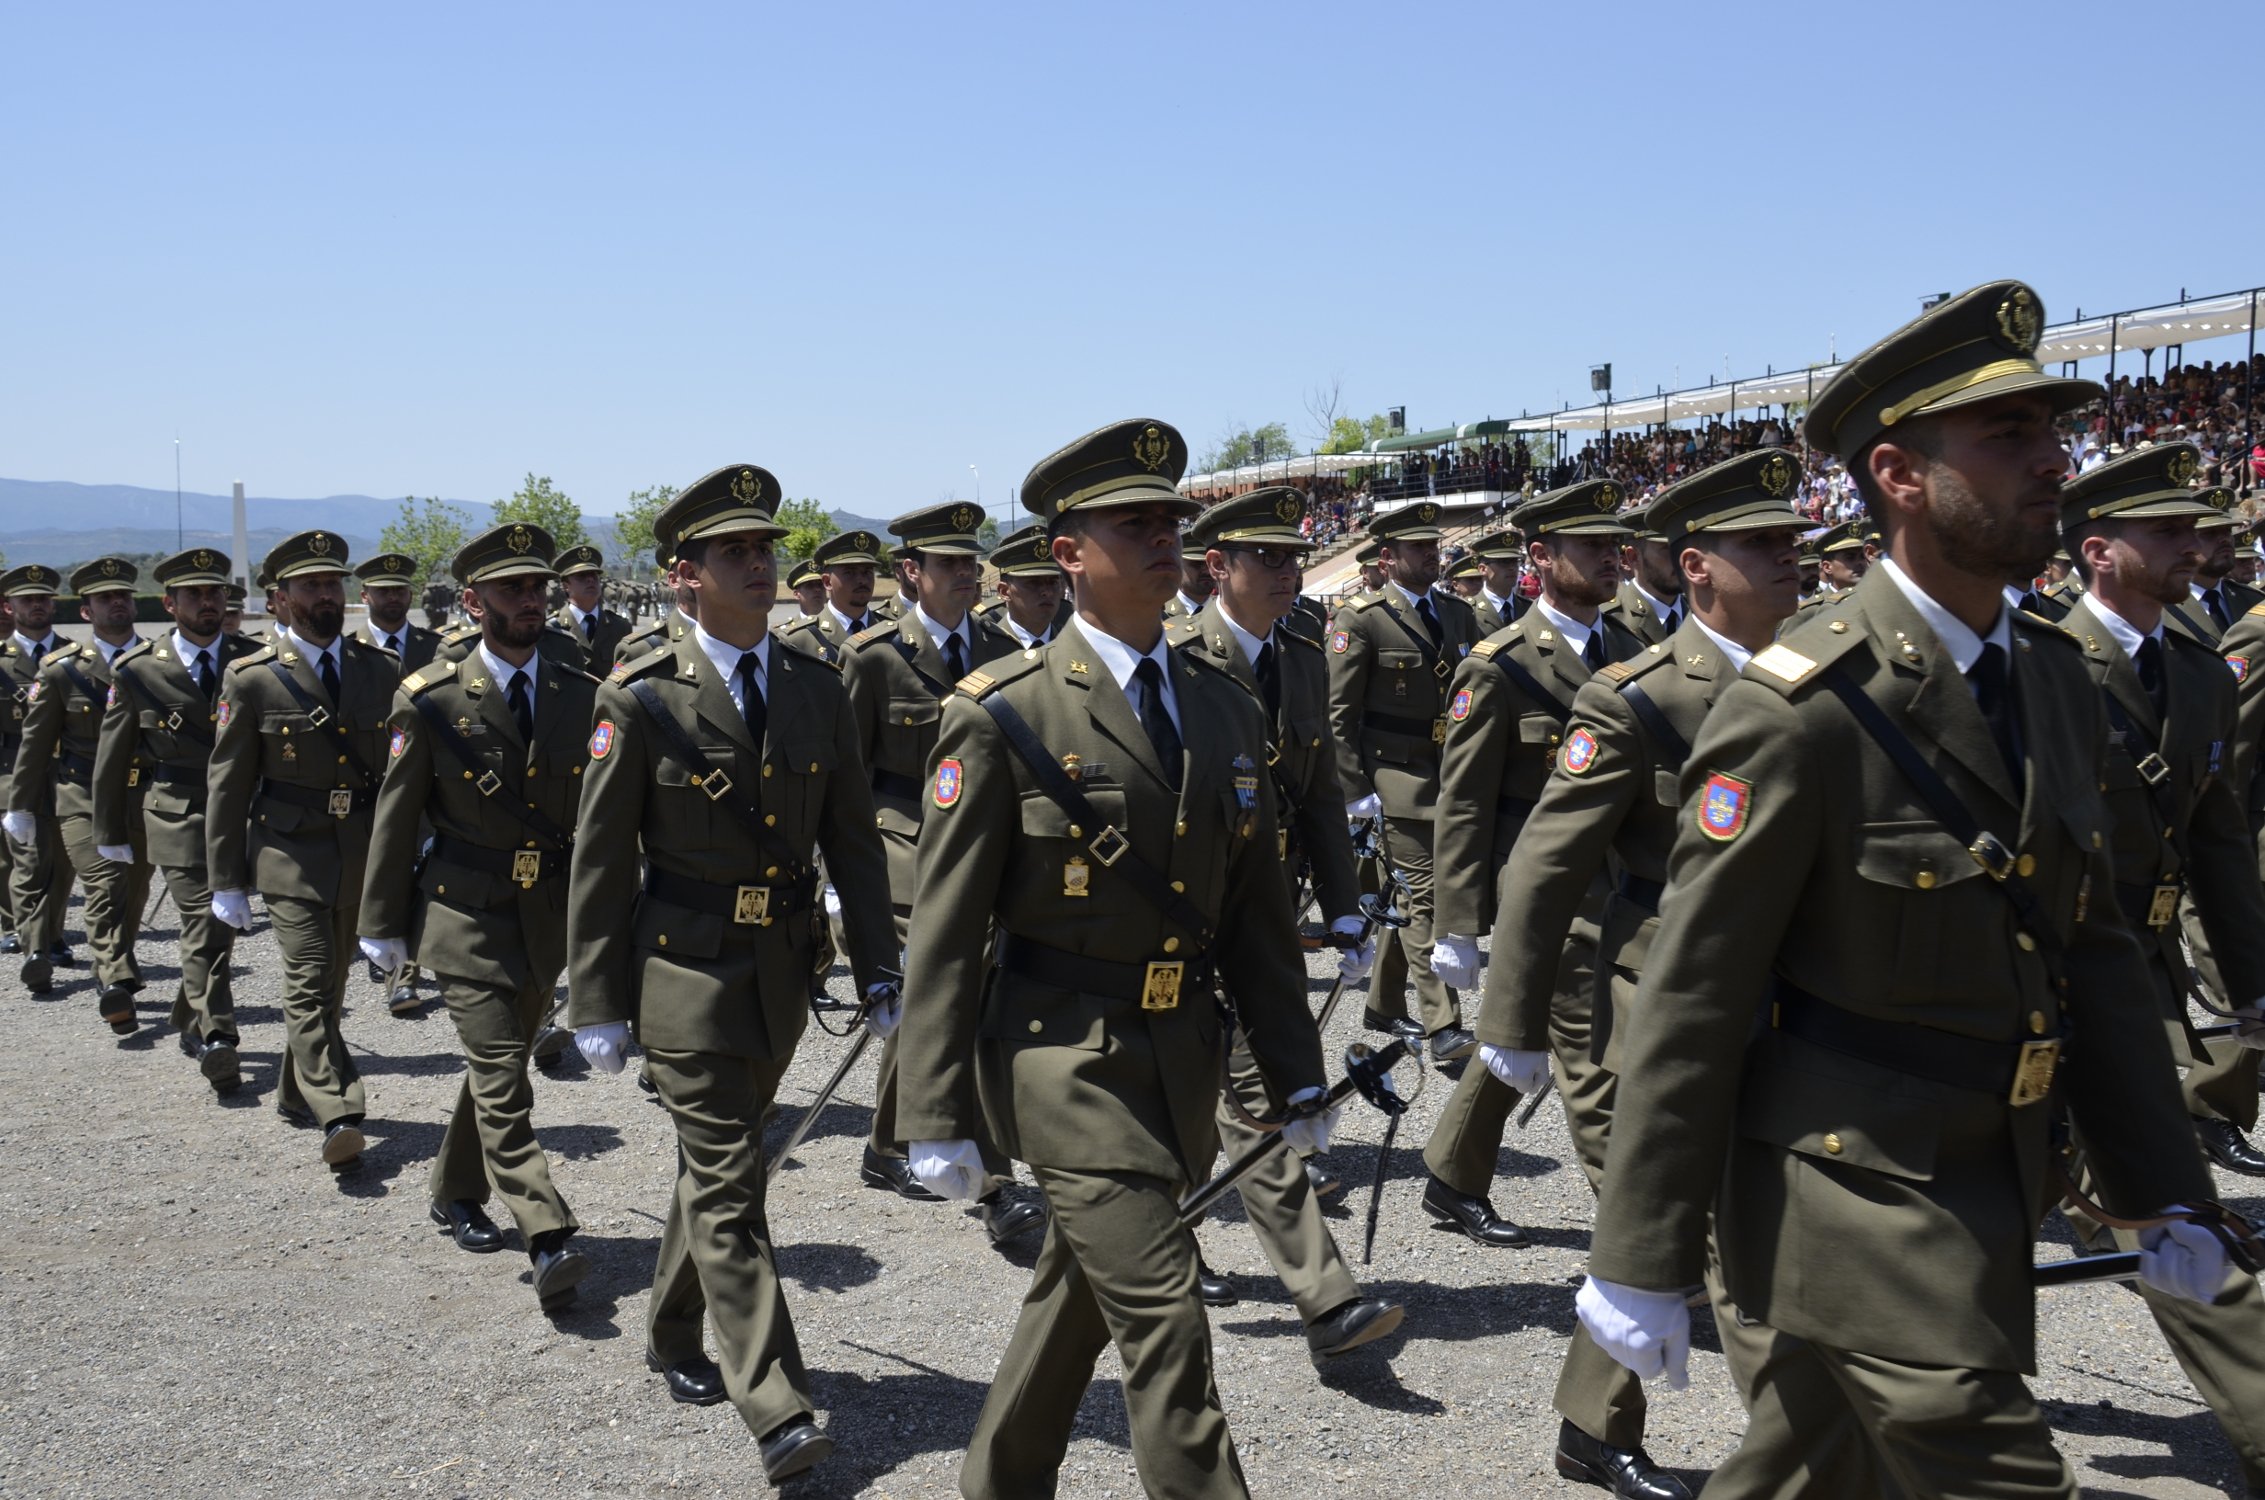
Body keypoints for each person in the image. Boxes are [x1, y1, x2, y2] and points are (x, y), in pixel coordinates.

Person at [1579, 279, 2238, 1497]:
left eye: (2054, 432)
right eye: (2011, 438)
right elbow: (1694, 996)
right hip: (1850, 1190)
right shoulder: (1799, 710)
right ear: (1895, 474)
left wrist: (2161, 1185)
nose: (2056, 462)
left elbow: (2087, 943)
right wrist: (1640, 1257)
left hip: (1995, 1170)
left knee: (1805, 1467)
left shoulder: (2046, 675)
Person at [896, 418, 1328, 1500]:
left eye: (1170, 523)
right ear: (1067, 554)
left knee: (1078, 1295)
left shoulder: (1226, 706)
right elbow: (946, 934)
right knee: (1165, 1310)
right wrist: (935, 1112)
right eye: (1130, 524)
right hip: (1059, 1058)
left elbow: (1260, 920)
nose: (1161, 541)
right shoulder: (1004, 713)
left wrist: (1297, 1068)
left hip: (1178, 1055)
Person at [1469, 452, 1808, 1500]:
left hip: (1791, 997)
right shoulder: (1638, 696)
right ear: (1698, 567)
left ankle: (1590, 1421)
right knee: (1698, 1224)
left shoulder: (1823, 681)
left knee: (1710, 1221)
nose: (1793, 566)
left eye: (1795, 545)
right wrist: (1512, 1023)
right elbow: (1542, 866)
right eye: (1766, 548)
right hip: (1652, 996)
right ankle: (1809, 1445)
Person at [567, 464, 896, 1484]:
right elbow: (600, 858)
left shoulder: (813, 682)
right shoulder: (641, 694)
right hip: (682, 973)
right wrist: (596, 1003)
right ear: (683, 578)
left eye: (767, 551)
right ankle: (779, 1401)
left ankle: (670, 1328)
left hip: (782, 970)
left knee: (723, 1170)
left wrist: (879, 968)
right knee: (728, 1176)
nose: (760, 566)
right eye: (734, 555)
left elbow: (850, 835)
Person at [2049, 443, 2265, 1489]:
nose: (2198, 543)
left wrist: (2253, 984)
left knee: (2142, 1195)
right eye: (2169, 530)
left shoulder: (2192, 665)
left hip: (2144, 974)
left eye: (2197, 528)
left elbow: (2218, 839)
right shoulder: (2037, 665)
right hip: (2043, 984)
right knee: (2163, 1201)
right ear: (2099, 552)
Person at [1167, 483, 1403, 1364]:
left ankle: (1161, 1232)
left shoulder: (1303, 648)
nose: (1285, 572)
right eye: (1264, 557)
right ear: (1217, 566)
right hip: (1199, 911)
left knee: (1202, 1089)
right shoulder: (1178, 656)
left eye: (1292, 556)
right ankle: (1325, 1294)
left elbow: (1315, 793)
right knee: (1253, 1093)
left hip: (1278, 903)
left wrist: (1344, 912)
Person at [359, 523, 596, 1313]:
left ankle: (455, 1189)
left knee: (502, 1066)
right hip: (462, 915)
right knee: (503, 1074)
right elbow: (396, 819)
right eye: (511, 590)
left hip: (545, 915)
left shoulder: (579, 689)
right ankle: (547, 1230)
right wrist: (381, 923)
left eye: (538, 588)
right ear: (472, 601)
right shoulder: (428, 698)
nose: (532, 601)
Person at [1426, 480, 1643, 1247]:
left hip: (1621, 888)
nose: (1612, 560)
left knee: (1517, 1035)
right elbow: (1462, 803)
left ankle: (1451, 1174)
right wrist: (1455, 923)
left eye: (1616, 546)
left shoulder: (1629, 652)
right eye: (1591, 547)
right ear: (1541, 556)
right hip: (1544, 896)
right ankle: (1647, 1249)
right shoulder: (1497, 665)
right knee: (1591, 1063)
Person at [841, 499, 1039, 1240]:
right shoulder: (874, 655)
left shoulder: (998, 648)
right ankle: (996, 1187)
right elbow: (847, 774)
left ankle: (888, 1142)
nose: (967, 575)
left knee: (970, 993)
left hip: (986, 840)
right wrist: (844, 876)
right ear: (909, 573)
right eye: (950, 564)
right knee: (938, 986)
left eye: (970, 562)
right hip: (902, 843)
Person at [206, 531, 401, 1176]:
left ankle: (294, 1090)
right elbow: (228, 784)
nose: (325, 595)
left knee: (335, 984)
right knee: (310, 982)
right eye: (311, 586)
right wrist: (226, 880)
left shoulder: (379, 669)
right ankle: (340, 1108)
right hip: (289, 854)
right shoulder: (253, 678)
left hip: (361, 853)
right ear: (280, 598)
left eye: (332, 584)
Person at [92, 548, 258, 1091]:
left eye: (215, 594)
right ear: (170, 603)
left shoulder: (251, 659)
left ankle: (189, 1016)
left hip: (246, 814)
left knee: (222, 928)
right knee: (205, 919)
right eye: (195, 595)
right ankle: (220, 1037)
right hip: (179, 813)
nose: (209, 603)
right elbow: (112, 759)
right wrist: (110, 832)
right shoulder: (139, 669)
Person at [1325, 501, 1483, 1064]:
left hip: (1447, 773)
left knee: (1404, 895)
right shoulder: (1361, 618)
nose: (1431, 554)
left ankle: (1384, 1002)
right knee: (1427, 899)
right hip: (1392, 776)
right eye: (1418, 547)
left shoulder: (1457, 612)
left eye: (1433, 545)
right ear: (1388, 558)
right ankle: (1445, 1026)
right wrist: (1354, 788)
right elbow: (1339, 714)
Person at [6, 559, 150, 1018]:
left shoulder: (158, 664)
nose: (116, 604)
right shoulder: (61, 670)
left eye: (123, 596)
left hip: (145, 800)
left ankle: (115, 960)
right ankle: (115, 979)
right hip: (81, 797)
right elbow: (34, 744)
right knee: (104, 884)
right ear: (86, 611)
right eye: (105, 598)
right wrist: (21, 806)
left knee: (134, 890)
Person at [0, 565, 66, 978]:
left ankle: (50, 934)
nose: (37, 606)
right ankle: (34, 945)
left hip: (66, 775)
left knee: (61, 861)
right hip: (11, 772)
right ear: (10, 607)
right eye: (28, 600)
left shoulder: (75, 659)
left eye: (43, 599)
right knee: (27, 859)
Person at [784, 528, 885, 650]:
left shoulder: (893, 631)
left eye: (867, 572)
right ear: (827, 582)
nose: (862, 580)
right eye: (850, 572)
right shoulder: (800, 639)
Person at [981, 522, 1069, 646]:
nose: (1047, 591)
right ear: (1004, 591)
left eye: (1053, 582)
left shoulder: (1074, 647)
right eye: (1034, 583)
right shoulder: (984, 648)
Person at [352, 552, 441, 671]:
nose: (393, 597)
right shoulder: (349, 648)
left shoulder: (436, 645)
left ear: (410, 595)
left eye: (400, 590)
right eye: (383, 590)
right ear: (364, 596)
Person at [1609, 505, 1684, 646]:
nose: (1681, 558)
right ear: (1633, 557)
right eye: (1668, 549)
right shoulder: (1611, 620)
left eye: (1683, 547)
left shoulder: (1705, 612)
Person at [554, 543, 632, 663]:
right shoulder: (553, 629)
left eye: (594, 575)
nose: (590, 579)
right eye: (581, 576)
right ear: (566, 586)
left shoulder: (621, 627)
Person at [1163, 536, 1215, 620]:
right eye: (1197, 564)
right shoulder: (1159, 612)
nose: (1207, 572)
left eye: (1212, 564)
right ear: (1176, 566)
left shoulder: (1230, 612)